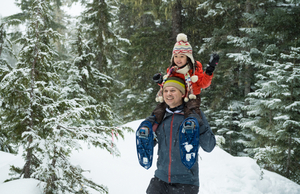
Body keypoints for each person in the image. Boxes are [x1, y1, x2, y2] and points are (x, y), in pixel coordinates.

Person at [144, 76, 216, 194]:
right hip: (160, 180)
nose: (168, 94)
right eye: (166, 91)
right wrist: (147, 131)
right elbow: (149, 145)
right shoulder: (160, 115)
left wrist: (200, 124)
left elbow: (209, 146)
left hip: (186, 183)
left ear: (182, 94)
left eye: (173, 90)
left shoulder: (193, 114)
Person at [152, 33, 219, 125]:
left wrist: (209, 70)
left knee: (191, 109)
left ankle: (192, 125)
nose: (178, 59)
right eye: (176, 56)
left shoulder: (194, 70)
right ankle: (151, 124)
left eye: (181, 56)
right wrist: (160, 81)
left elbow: (204, 84)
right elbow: (169, 85)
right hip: (177, 96)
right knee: (161, 107)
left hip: (192, 96)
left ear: (188, 57)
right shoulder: (172, 70)